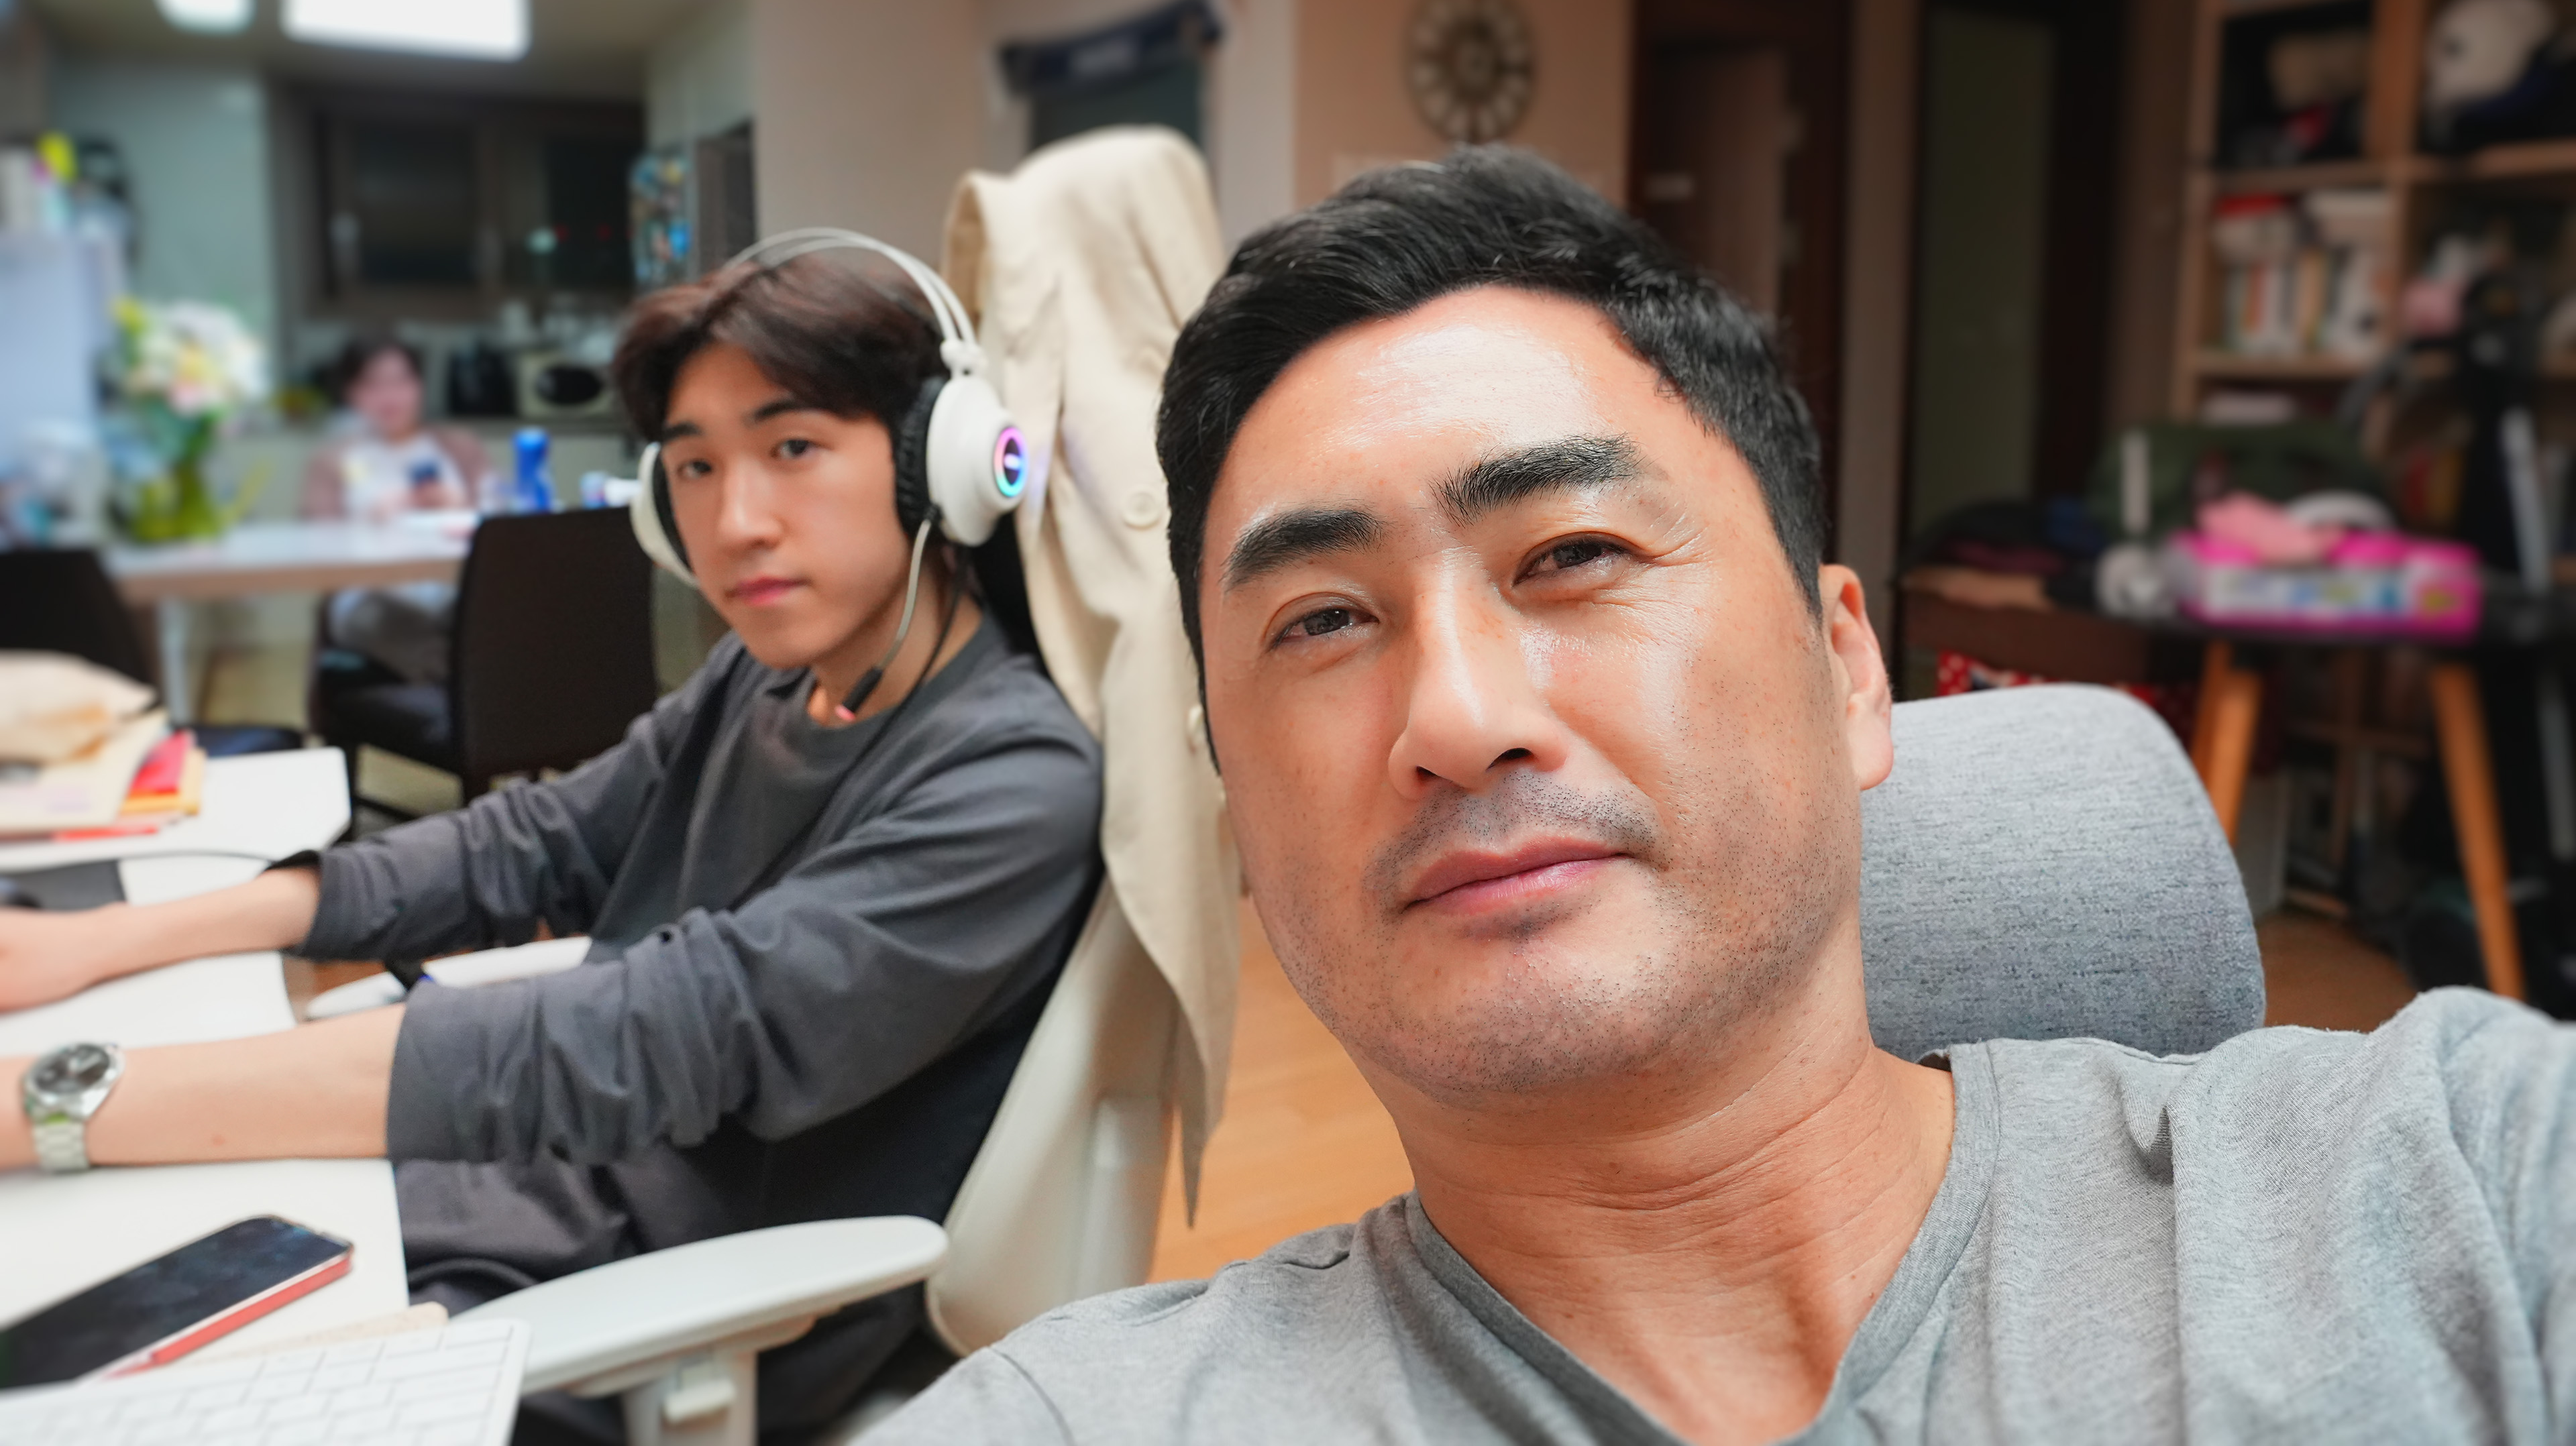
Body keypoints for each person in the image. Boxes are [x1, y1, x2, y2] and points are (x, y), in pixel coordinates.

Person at [877, 149, 2576, 1445]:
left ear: (1848, 669)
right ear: (1234, 798)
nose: (1457, 717)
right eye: (1321, 620)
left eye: (1572, 551)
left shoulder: (2457, 1187)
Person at [0, 244, 1103, 1435]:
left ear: (939, 463)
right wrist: (105, 942)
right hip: (520, 1192)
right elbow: (526, 844)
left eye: (793, 447)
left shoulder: (1012, 780)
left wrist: (66, 1099)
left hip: (666, 1312)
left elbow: (656, 1035)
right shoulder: (764, 680)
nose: (735, 523)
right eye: (694, 466)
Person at [299, 334, 491, 683]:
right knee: (376, 620)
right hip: (370, 593)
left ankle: (472, 684)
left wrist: (461, 505)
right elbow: (316, 545)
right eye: (373, 384)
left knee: (495, 608)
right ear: (352, 393)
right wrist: (370, 521)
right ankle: (469, 684)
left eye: (401, 381)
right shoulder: (332, 460)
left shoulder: (459, 447)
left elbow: (500, 515)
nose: (389, 396)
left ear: (419, 386)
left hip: (454, 585)